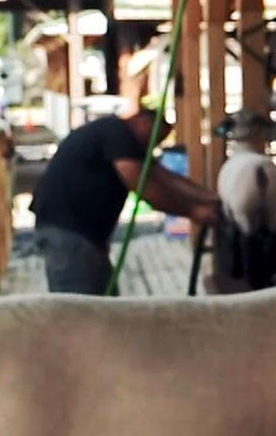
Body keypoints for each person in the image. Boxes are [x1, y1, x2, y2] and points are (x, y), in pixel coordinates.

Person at [29, 99, 221, 295]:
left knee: (103, 303)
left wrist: (210, 198)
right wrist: (193, 211)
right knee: (81, 306)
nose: (153, 145)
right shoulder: (117, 132)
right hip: (69, 230)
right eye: (155, 138)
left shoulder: (122, 140)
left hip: (83, 234)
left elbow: (165, 178)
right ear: (143, 122)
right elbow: (142, 185)